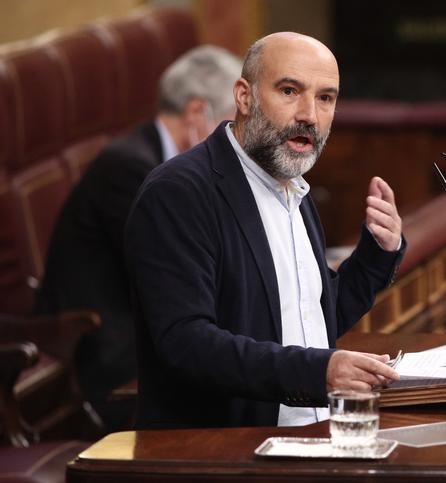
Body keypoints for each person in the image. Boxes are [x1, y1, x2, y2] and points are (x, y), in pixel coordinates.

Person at [125, 32, 406, 430]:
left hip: (311, 436)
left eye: (326, 98)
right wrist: (318, 372)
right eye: (290, 90)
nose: (310, 113)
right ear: (244, 96)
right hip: (220, 454)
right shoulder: (179, 192)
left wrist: (377, 251)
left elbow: (310, 318)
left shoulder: (293, 186)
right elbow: (186, 343)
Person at [35, 45, 243, 430]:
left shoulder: (158, 163)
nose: (239, 140)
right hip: (105, 351)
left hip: (147, 330)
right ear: (198, 113)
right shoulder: (129, 168)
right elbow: (178, 271)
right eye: (234, 122)